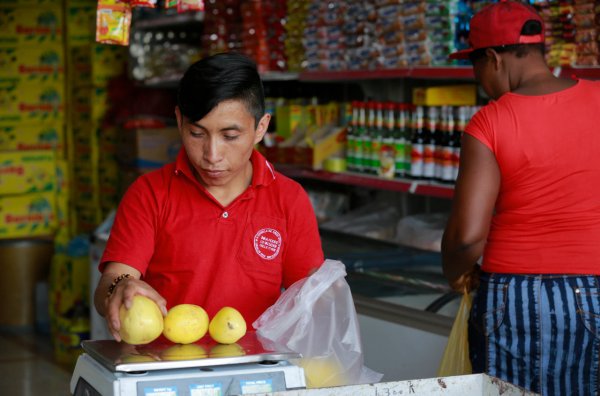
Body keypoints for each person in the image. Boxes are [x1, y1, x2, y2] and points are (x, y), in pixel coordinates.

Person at [94, 52, 324, 342]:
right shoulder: (149, 193)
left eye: (229, 136)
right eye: (197, 133)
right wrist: (121, 286)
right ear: (179, 121)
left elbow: (308, 299)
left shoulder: (289, 198)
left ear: (260, 128)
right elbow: (110, 282)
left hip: (256, 371)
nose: (212, 155)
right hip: (163, 370)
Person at [442, 1, 600, 394]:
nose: (480, 79)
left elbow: (467, 236)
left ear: (493, 58)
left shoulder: (491, 121)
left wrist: (455, 272)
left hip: (515, 296)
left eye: (476, 66)